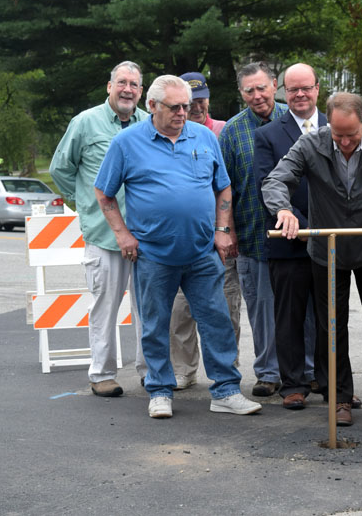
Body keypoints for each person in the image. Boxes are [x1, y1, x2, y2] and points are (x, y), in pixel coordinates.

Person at [93, 74, 261, 419]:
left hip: (201, 252)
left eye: (187, 105)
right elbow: (104, 193)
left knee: (216, 321)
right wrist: (123, 235)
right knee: (156, 324)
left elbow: (223, 188)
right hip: (153, 254)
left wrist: (222, 229)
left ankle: (226, 390)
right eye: (175, 107)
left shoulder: (203, 137)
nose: (184, 112)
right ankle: (159, 390)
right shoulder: (126, 143)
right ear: (151, 106)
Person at [261, 91, 362, 427]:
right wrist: (283, 209)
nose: (346, 142)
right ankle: (339, 396)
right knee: (331, 326)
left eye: (352, 135)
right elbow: (277, 179)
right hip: (328, 251)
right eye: (338, 136)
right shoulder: (312, 143)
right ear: (329, 126)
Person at [49, 60, 147, 397]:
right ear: (109, 86)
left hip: (145, 236)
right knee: (105, 307)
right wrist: (87, 209)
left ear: (141, 91)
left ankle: (150, 372)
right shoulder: (85, 123)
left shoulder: (148, 124)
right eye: (122, 82)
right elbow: (60, 169)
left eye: (134, 85)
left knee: (147, 308)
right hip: (104, 237)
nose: (127, 89)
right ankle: (102, 374)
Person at [254, 63, 324, 410]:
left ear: (316, 89)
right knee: (289, 319)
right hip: (288, 240)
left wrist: (322, 229)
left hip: (332, 242)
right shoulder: (268, 135)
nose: (299, 94)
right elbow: (267, 183)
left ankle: (333, 384)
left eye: (305, 88)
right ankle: (293, 385)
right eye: (292, 89)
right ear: (283, 91)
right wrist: (299, 225)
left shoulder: (335, 126)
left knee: (331, 318)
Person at [167, 72, 242, 391]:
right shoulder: (166, 134)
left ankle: (227, 369)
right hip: (185, 240)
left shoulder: (223, 131)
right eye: (188, 100)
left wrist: (229, 230)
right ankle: (183, 368)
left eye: (201, 99)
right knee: (180, 309)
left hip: (221, 236)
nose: (196, 105)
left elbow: (231, 186)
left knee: (225, 308)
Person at [219, 62, 286, 397]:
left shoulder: (295, 120)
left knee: (300, 307)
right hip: (252, 235)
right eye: (249, 90)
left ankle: (306, 371)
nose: (257, 96)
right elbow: (223, 188)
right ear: (241, 93)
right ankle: (268, 373)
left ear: (274, 85)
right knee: (261, 307)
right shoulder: (232, 131)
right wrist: (226, 230)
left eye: (262, 88)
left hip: (297, 237)